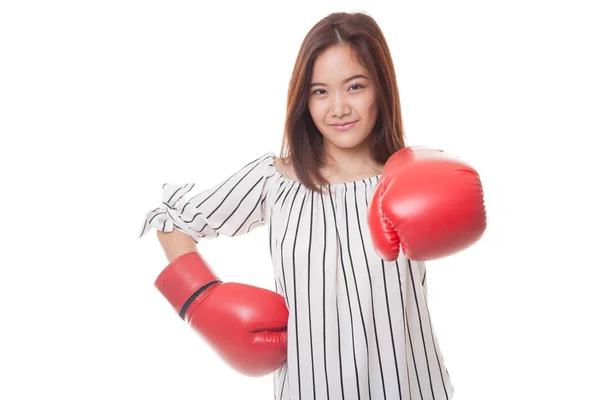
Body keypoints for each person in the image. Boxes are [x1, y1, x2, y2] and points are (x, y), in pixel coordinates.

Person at [138, 11, 478, 400]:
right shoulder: (275, 180)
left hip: (412, 389)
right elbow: (172, 220)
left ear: (381, 88)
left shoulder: (409, 178)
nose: (339, 108)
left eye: (355, 86)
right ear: (304, 98)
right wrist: (202, 298)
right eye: (320, 91)